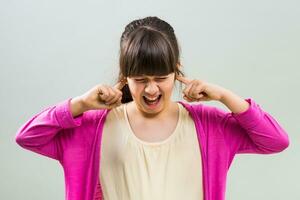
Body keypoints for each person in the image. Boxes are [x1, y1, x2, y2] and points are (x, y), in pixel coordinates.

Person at [15, 16, 289, 200]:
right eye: (140, 80)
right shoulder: (93, 126)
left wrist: (224, 96)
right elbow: (27, 137)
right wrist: (80, 104)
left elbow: (275, 141)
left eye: (160, 78)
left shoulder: (208, 124)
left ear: (176, 72)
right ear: (125, 77)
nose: (151, 89)